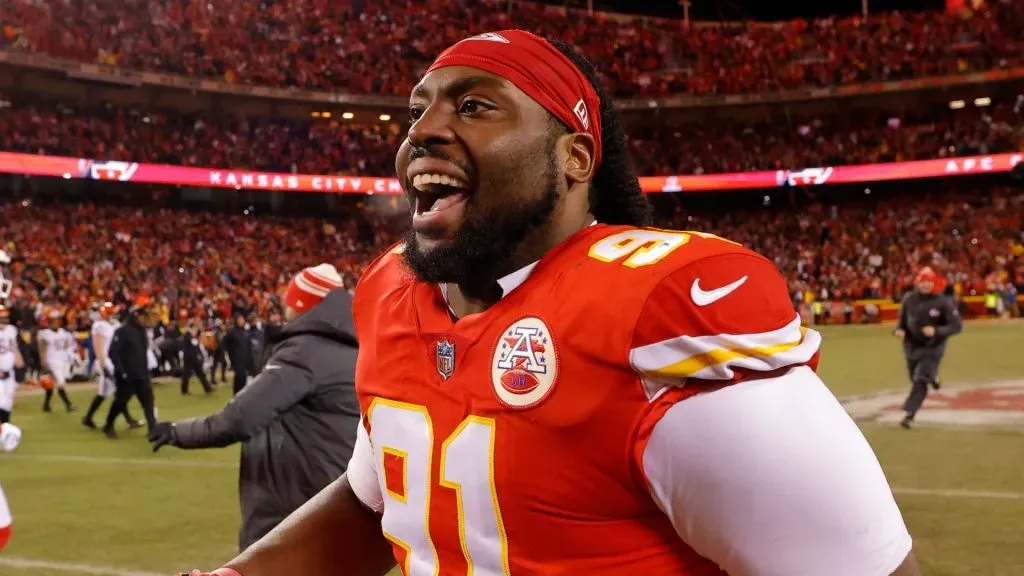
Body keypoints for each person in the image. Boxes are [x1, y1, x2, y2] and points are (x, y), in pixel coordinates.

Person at [184, 31, 918, 576]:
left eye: (475, 107)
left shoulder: (656, 313)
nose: (423, 133)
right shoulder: (390, 292)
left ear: (574, 158)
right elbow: (379, 500)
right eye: (417, 111)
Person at [150, 264, 360, 551]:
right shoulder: (353, 347)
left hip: (298, 499)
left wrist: (176, 432)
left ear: (302, 304)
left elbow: (238, 418)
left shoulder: (305, 351)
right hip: (336, 492)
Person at [894, 266, 963, 429]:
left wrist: (937, 331)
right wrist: (899, 330)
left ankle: (909, 414)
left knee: (920, 379)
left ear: (934, 283)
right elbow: (902, 320)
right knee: (914, 376)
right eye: (922, 282)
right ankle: (933, 377)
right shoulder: (909, 299)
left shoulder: (943, 302)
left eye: (928, 282)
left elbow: (957, 326)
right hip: (911, 347)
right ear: (918, 282)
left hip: (933, 348)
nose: (925, 285)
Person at [104, 296, 159, 438]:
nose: (146, 319)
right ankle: (109, 424)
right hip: (127, 375)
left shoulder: (141, 332)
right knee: (120, 402)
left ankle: (152, 428)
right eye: (143, 316)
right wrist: (122, 371)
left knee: (148, 402)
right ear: (136, 316)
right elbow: (112, 352)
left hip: (141, 373)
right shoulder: (123, 331)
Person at [82, 302, 143, 430]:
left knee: (104, 393)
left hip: (115, 360)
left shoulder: (116, 324)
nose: (113, 314)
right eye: (110, 312)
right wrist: (103, 365)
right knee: (121, 391)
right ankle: (128, 420)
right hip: (106, 361)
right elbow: (97, 345)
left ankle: (88, 418)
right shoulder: (99, 325)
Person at [37, 310, 76, 413]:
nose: (56, 322)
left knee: (52, 385)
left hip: (62, 360)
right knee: (61, 383)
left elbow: (67, 346)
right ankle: (69, 405)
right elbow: (42, 350)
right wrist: (44, 364)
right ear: (49, 322)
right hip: (52, 361)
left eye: (57, 320)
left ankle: (46, 405)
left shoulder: (63, 332)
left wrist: (70, 357)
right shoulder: (45, 334)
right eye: (54, 320)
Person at [0, 305, 25, 424]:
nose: (5, 319)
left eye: (6, 317)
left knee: (8, 402)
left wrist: (19, 360)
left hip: (9, 371)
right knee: (1, 402)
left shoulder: (11, 329)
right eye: (2, 317)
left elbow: (14, 347)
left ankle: (6, 427)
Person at [222, 314, 254, 395]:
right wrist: (231, 358)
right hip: (237, 359)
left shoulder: (246, 331)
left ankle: (241, 394)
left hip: (246, 358)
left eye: (242, 319)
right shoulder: (232, 332)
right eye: (239, 319)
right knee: (239, 377)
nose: (241, 321)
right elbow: (226, 345)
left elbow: (248, 346)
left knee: (244, 378)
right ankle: (236, 394)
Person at [180, 319, 213, 395]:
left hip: (195, 357)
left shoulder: (196, 335)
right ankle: (184, 390)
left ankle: (207, 388)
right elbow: (188, 343)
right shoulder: (187, 334)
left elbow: (198, 341)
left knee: (201, 374)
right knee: (186, 375)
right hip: (188, 357)